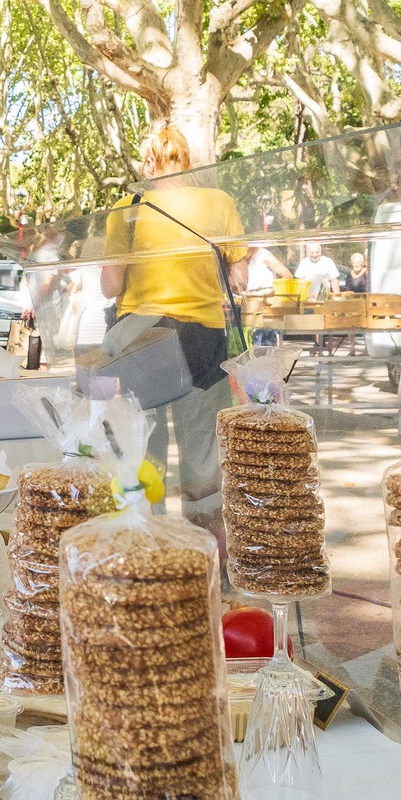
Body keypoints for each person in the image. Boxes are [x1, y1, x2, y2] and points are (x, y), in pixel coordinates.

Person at [99, 124, 248, 545]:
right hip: (203, 338)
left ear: (148, 163)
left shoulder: (128, 205)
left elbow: (111, 285)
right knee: (202, 456)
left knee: (145, 450)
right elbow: (238, 274)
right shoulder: (219, 202)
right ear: (187, 159)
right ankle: (210, 559)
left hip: (142, 341)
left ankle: (155, 551)